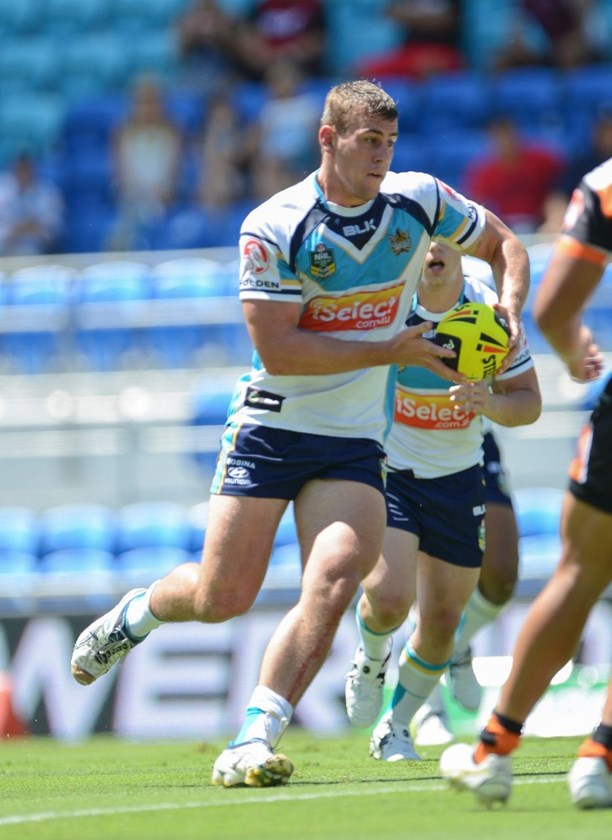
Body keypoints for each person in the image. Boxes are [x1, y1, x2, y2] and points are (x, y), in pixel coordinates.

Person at [70, 79, 530, 788]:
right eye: (366, 142)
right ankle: (138, 612)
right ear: (328, 139)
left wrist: (509, 311)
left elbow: (505, 246)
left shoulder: (421, 200)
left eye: (389, 144)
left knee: (339, 574)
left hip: (352, 441)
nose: (380, 157)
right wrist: (393, 348)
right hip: (272, 423)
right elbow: (283, 350)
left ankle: (254, 736)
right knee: (222, 598)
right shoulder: (274, 224)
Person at [439, 158, 611, 809]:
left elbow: (555, 307)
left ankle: (494, 752)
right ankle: (600, 755)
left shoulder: (605, 185)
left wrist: (573, 350)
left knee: (577, 575)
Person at [344, 241, 540, 761]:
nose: (432, 247)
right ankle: (369, 658)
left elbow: (530, 402)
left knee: (443, 620)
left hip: (459, 477)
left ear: (461, 249)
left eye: (444, 237)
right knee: (387, 601)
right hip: (395, 471)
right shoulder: (389, 306)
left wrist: (490, 403)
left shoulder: (490, 314)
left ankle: (397, 724)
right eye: (422, 237)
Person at [412, 421, 521, 745]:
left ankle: (454, 644)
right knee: (418, 578)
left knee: (500, 574)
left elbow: (518, 385)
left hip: (469, 431)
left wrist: (570, 366)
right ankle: (427, 710)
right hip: (402, 435)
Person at [106, 76, 183, 251]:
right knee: (132, 219)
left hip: (163, 200)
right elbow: (121, 177)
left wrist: (159, 194)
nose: (148, 108)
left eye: (152, 102)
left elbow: (173, 176)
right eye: (143, 103)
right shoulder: (121, 134)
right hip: (132, 200)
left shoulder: (173, 133)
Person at [463, 116, 566, 234]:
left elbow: (557, 194)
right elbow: (477, 208)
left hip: (541, 226)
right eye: (498, 137)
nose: (504, 142)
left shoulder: (542, 161)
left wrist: (554, 220)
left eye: (507, 136)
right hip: (504, 228)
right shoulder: (482, 172)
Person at [357, 0, 465, 81]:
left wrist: (410, 17)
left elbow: (448, 21)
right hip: (408, 52)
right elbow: (389, 12)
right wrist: (424, 19)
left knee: (427, 69)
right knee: (361, 71)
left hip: (443, 53)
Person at [0, 152, 64, 256]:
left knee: (27, 253)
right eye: (19, 170)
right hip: (3, 248)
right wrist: (20, 228)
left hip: (33, 250)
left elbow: (53, 233)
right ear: (13, 170)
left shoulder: (47, 192)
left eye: (27, 170)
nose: (23, 174)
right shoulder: (2, 190)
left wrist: (23, 229)